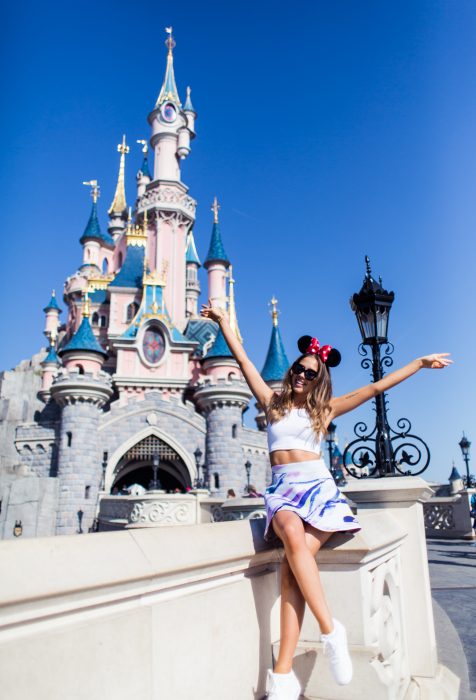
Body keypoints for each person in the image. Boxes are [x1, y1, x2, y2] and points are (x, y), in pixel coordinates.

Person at [200, 301, 451, 700]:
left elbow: (372, 389)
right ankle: (332, 630)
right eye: (299, 369)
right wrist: (223, 321)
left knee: (289, 572)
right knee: (293, 542)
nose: (302, 375)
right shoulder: (271, 402)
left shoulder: (324, 411)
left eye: (310, 373)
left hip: (318, 491)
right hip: (283, 492)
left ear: (319, 380)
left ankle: (282, 677)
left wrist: (418, 364)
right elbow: (244, 359)